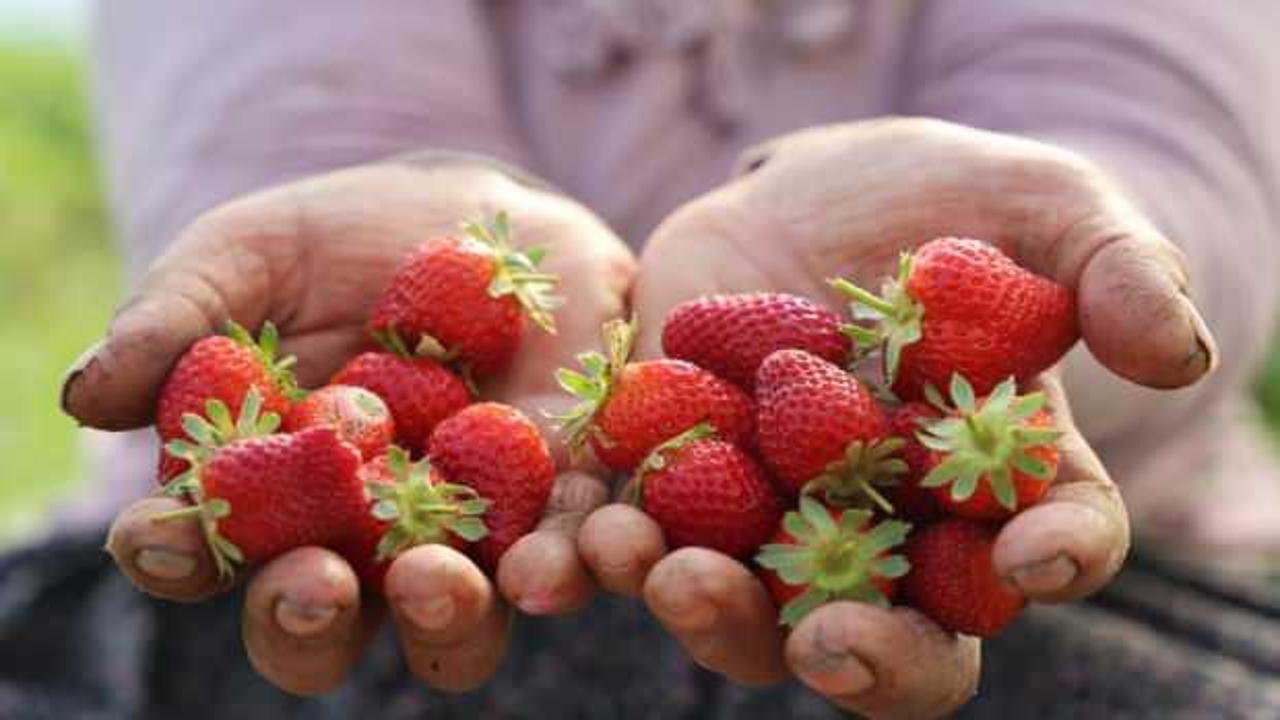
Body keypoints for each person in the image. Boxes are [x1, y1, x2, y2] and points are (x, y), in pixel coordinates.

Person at [39, 1, 1280, 718]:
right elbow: (288, 121)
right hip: (358, 562)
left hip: (1102, 557)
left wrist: (1041, 290)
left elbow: (1178, 169)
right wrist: (428, 230)